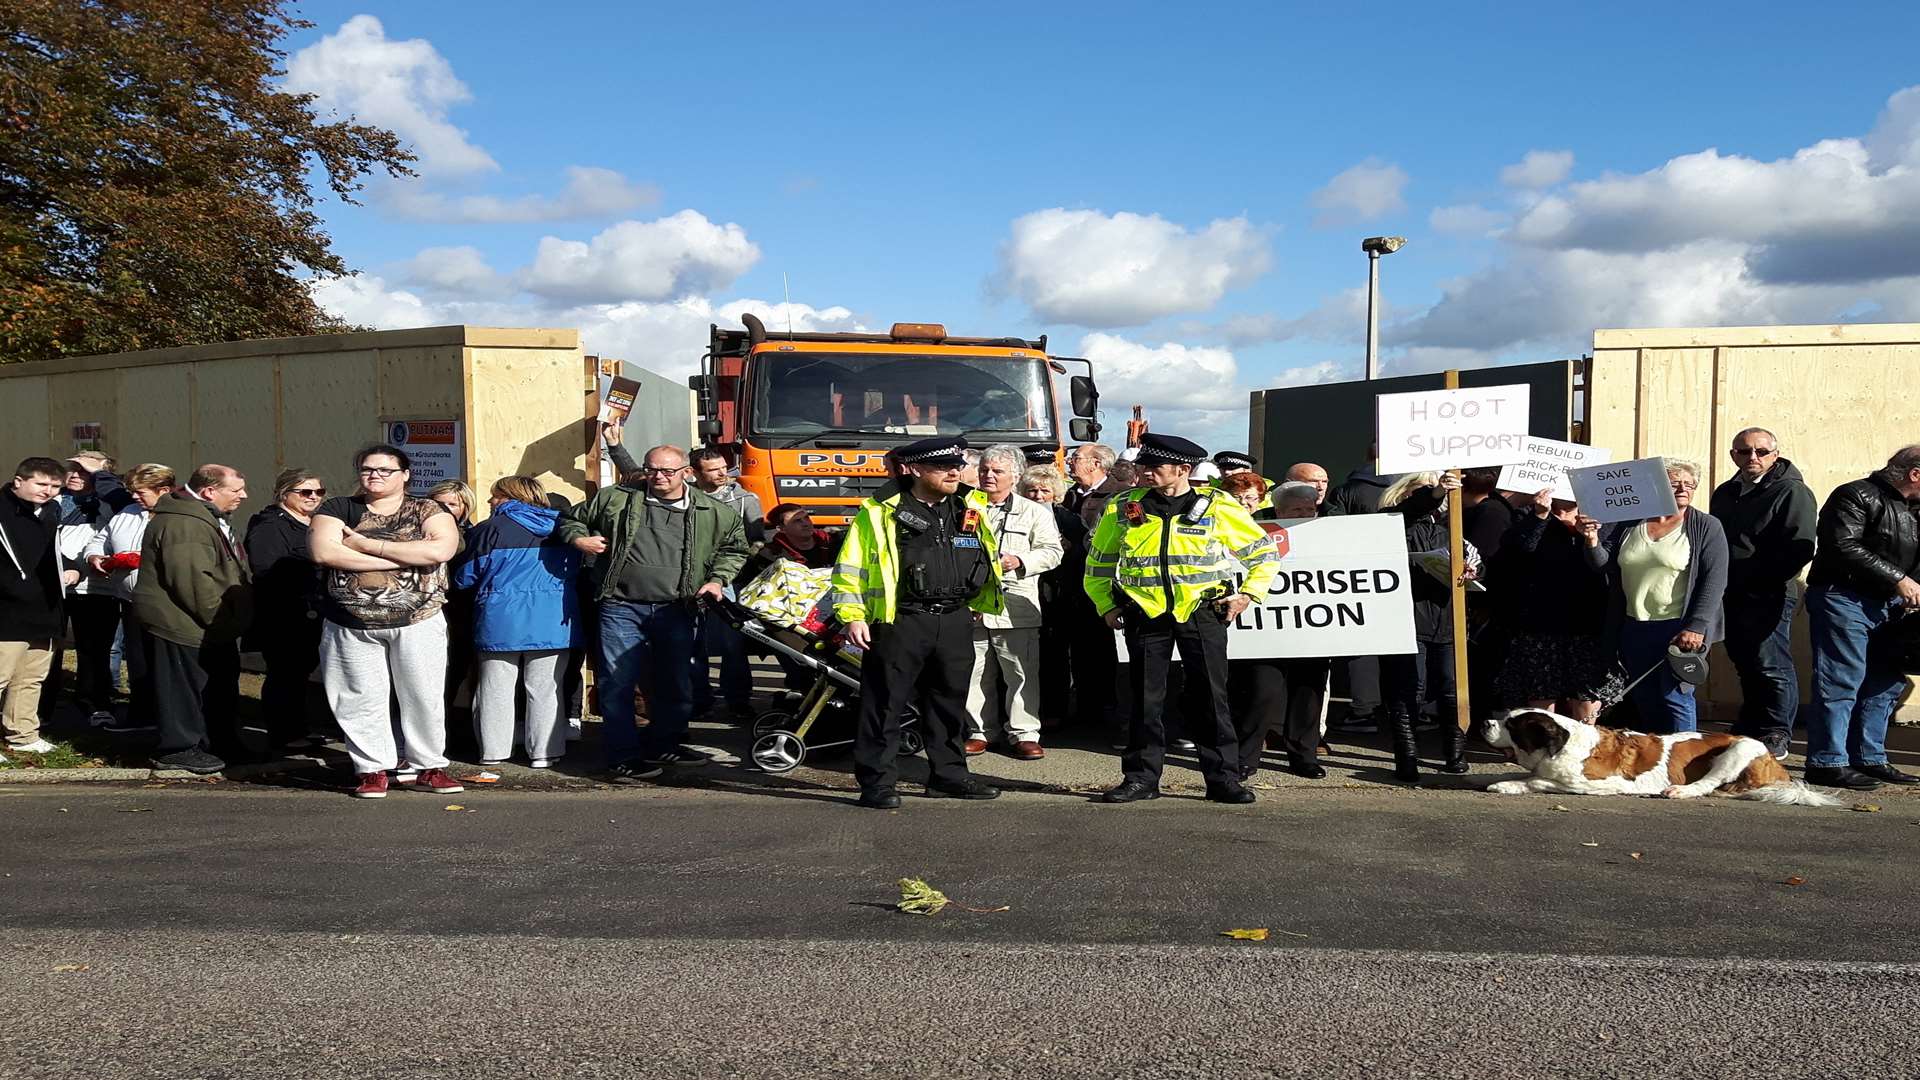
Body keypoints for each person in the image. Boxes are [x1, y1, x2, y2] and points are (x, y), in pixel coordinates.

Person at [1085, 433, 1281, 805]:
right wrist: (1105, 605)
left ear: (1182, 469)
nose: (1144, 473)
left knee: (1211, 697)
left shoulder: (1217, 506)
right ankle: (1141, 778)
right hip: (1144, 613)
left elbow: (1264, 555)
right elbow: (1098, 563)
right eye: (1142, 466)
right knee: (1144, 700)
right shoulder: (1122, 506)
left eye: (1154, 467)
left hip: (1203, 613)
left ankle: (1223, 779)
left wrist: (1247, 595)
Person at [830, 436, 1007, 809]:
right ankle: (877, 783)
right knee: (885, 705)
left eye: (957, 466)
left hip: (956, 617)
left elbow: (982, 556)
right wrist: (853, 616)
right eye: (943, 468)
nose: (954, 473)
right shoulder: (880, 512)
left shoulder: (968, 505)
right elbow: (850, 569)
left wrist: (976, 601)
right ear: (915, 470)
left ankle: (949, 776)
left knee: (949, 703)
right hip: (902, 620)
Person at [558, 444, 750, 782]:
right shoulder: (616, 498)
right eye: (651, 470)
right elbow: (572, 519)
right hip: (620, 605)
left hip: (677, 608)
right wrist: (580, 541)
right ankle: (623, 757)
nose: (658, 477)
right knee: (617, 682)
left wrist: (719, 580)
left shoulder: (711, 510)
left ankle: (666, 743)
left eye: (667, 471)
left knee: (675, 681)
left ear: (686, 473)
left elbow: (735, 547)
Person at [309, 446, 464, 799]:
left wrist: (366, 546)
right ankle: (372, 769)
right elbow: (324, 552)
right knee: (359, 697)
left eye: (384, 470)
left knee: (423, 694)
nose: (374, 475)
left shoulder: (429, 508)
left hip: (418, 619)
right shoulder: (337, 509)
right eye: (367, 470)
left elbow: (440, 551)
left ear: (405, 474)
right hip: (349, 622)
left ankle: (429, 767)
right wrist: (402, 560)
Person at [1801, 445, 1920, 790]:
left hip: (1891, 606)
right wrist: (1899, 579)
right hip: (1844, 598)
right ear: (1915, 474)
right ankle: (1827, 761)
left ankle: (1869, 758)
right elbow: (1842, 546)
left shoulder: (1913, 507)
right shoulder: (1856, 495)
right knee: (1840, 679)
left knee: (1885, 681)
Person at [1586, 459, 1728, 735]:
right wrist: (1591, 541)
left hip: (1679, 628)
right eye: (1674, 483)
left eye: (1689, 484)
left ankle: (1685, 767)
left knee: (1675, 697)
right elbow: (1605, 567)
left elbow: (1714, 581)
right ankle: (1657, 765)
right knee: (1645, 698)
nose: (1682, 489)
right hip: (1634, 625)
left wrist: (1696, 627)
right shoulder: (1628, 523)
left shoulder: (1706, 527)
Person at [131, 464, 253, 774]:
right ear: (209, 491)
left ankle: (221, 742)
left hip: (208, 624)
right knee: (183, 688)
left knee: (217, 686)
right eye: (236, 490)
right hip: (183, 622)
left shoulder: (203, 517)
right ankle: (179, 748)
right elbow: (190, 581)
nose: (244, 495)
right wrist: (220, 619)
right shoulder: (186, 523)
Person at [454, 475, 582, 768]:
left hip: (500, 618)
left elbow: (465, 575)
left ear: (510, 498)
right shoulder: (564, 529)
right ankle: (545, 753)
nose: (489, 502)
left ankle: (493, 752)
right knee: (546, 689)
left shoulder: (490, 529)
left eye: (495, 496)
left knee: (494, 688)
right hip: (554, 620)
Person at [1708, 427, 1818, 759]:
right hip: (1731, 592)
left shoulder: (1792, 492)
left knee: (1771, 663)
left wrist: (1762, 581)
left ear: (1775, 454)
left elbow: (1800, 547)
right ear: (1733, 455)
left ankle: (1776, 731)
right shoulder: (1726, 492)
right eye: (1744, 451)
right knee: (1745, 661)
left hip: (1768, 592)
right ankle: (1752, 724)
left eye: (1761, 451)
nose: (1752, 457)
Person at [1220, 475, 1332, 780]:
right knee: (1262, 692)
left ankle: (1304, 756)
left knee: (1309, 692)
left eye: (1309, 509)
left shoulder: (1330, 532)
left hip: (1311, 628)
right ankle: (1246, 756)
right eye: (1297, 511)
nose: (1305, 515)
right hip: (1265, 631)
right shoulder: (1253, 532)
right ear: (1279, 509)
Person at [1376, 472, 1478, 780]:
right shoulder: (1390, 523)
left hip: (1447, 621)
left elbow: (1474, 558)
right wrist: (1432, 494)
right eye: (1426, 489)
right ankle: (1406, 757)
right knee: (1409, 689)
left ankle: (1454, 753)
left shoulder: (1450, 528)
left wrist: (1473, 570)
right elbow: (1406, 515)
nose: (1437, 494)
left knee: (1451, 689)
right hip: (1406, 620)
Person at [963, 445, 1063, 760]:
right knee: (975, 672)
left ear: (1015, 475)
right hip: (971, 603)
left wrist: (1019, 560)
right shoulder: (962, 506)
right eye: (984, 471)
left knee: (1020, 673)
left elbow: (1053, 552)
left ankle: (1024, 733)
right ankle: (980, 732)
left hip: (1016, 604)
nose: (988, 476)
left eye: (997, 471)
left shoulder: (1035, 511)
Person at [1490, 487, 1623, 724]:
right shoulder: (1526, 516)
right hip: (1541, 624)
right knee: (1541, 698)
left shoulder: (1604, 521)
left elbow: (1604, 566)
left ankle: (1583, 757)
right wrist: (1540, 515)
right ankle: (1541, 754)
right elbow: (1520, 551)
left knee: (1586, 697)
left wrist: (1590, 538)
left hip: (1589, 624)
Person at [84, 464, 175, 735]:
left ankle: (170, 719)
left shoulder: (178, 516)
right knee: (138, 662)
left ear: (164, 490)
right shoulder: (127, 513)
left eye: (140, 492)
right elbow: (100, 540)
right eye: (131, 491)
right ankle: (142, 714)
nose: (134, 497)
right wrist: (95, 556)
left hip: (167, 604)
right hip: (130, 600)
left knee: (166, 665)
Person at [244, 468, 327, 752]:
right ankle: (283, 733)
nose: (313, 497)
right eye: (305, 492)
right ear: (285, 493)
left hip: (312, 610)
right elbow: (265, 569)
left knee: (300, 673)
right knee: (284, 673)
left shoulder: (315, 522)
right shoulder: (269, 525)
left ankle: (298, 727)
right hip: (283, 613)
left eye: (319, 491)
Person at [0, 458, 75, 760]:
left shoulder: (52, 512)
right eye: (41, 484)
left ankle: (22, 734)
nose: (49, 491)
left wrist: (71, 567)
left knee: (31, 677)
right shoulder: (3, 510)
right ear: (19, 481)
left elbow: (51, 551)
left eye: (55, 486)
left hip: (45, 608)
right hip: (7, 610)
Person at [57, 454, 130, 724]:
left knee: (95, 650)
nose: (75, 475)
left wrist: (81, 568)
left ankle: (95, 701)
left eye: (84, 472)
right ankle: (44, 707)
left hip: (97, 588)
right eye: (72, 470)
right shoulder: (55, 500)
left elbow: (107, 538)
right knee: (51, 649)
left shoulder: (114, 503)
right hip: (59, 584)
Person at [1021, 465, 1092, 729]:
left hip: (1060, 598)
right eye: (1032, 490)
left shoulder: (1069, 520)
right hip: (1025, 593)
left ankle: (1056, 710)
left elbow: (1085, 558)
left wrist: (1070, 549)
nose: (1038, 496)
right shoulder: (1016, 516)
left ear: (1056, 493)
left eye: (1044, 490)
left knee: (1057, 656)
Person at [427, 478, 478, 724]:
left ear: (465, 507)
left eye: (453, 503)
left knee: (456, 669)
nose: (446, 508)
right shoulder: (416, 532)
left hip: (462, 611)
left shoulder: (474, 535)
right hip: (428, 608)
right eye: (439, 503)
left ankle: (448, 728)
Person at [735, 504, 835, 586]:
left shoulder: (835, 543)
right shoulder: (768, 556)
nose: (806, 524)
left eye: (806, 518)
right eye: (797, 521)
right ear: (781, 529)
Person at [1064, 443, 1127, 531]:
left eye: (1076, 458)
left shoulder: (1120, 495)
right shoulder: (1067, 495)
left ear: (1096, 464)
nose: (1068, 461)